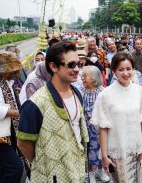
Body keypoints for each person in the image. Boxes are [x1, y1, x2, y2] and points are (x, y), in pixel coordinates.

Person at [17, 42, 89, 182]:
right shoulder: (36, 103)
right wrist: (45, 162)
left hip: (77, 169)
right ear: (53, 66)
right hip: (51, 176)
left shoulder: (77, 94)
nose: (77, 69)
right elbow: (23, 144)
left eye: (78, 64)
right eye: (71, 65)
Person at [91, 52, 142, 183]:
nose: (125, 73)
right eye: (121, 69)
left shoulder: (138, 91)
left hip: (135, 150)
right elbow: (103, 127)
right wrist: (104, 155)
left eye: (128, 69)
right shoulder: (106, 94)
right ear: (114, 71)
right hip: (116, 150)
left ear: (133, 70)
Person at [79, 66, 109, 183]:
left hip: (99, 129)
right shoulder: (79, 90)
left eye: (85, 76)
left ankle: (100, 171)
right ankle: (90, 174)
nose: (82, 78)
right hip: (85, 128)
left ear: (94, 78)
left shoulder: (103, 92)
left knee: (101, 150)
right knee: (87, 151)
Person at [0, 51, 24, 183]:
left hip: (8, 132)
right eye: (11, 70)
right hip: (0, 137)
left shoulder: (8, 82)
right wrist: (16, 112)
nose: (15, 72)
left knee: (3, 170)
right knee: (15, 168)